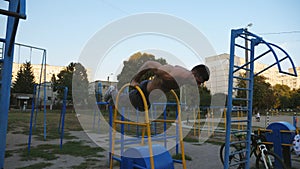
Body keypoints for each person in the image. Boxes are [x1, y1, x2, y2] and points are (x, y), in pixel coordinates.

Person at [129, 61, 210, 111]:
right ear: (194, 74)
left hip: (148, 100)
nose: (199, 85)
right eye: (199, 82)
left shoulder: (185, 80)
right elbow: (149, 64)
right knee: (123, 102)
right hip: (142, 93)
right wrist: (135, 80)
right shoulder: (172, 74)